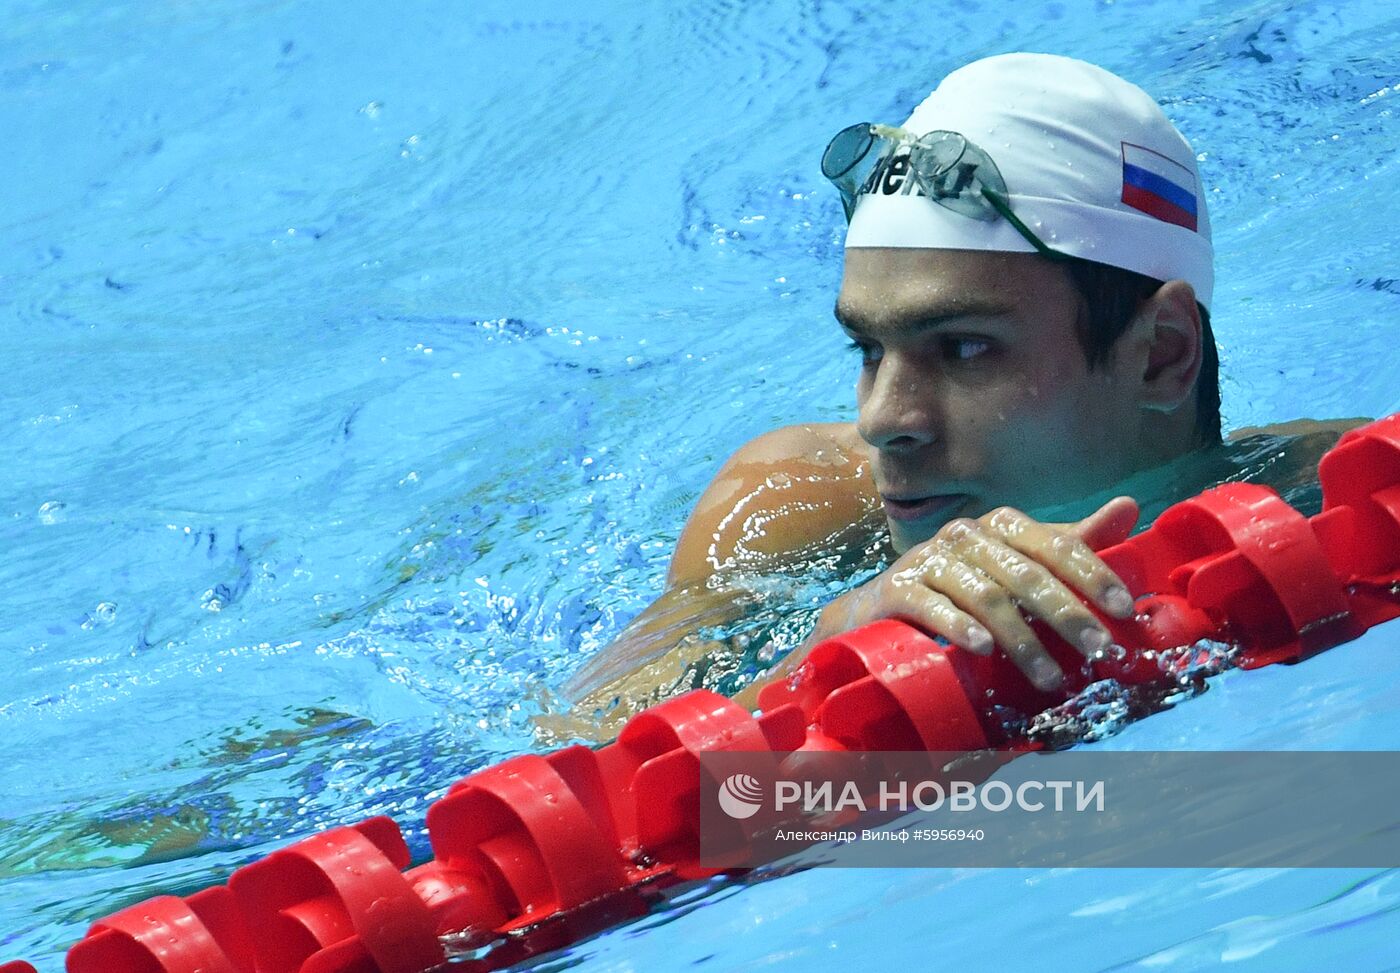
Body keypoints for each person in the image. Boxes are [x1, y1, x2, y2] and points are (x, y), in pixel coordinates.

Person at [548, 53, 1360, 739]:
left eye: (963, 347)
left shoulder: (1331, 485)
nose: (882, 420)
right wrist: (828, 645)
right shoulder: (793, 502)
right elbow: (590, 742)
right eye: (866, 348)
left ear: (1161, 355)